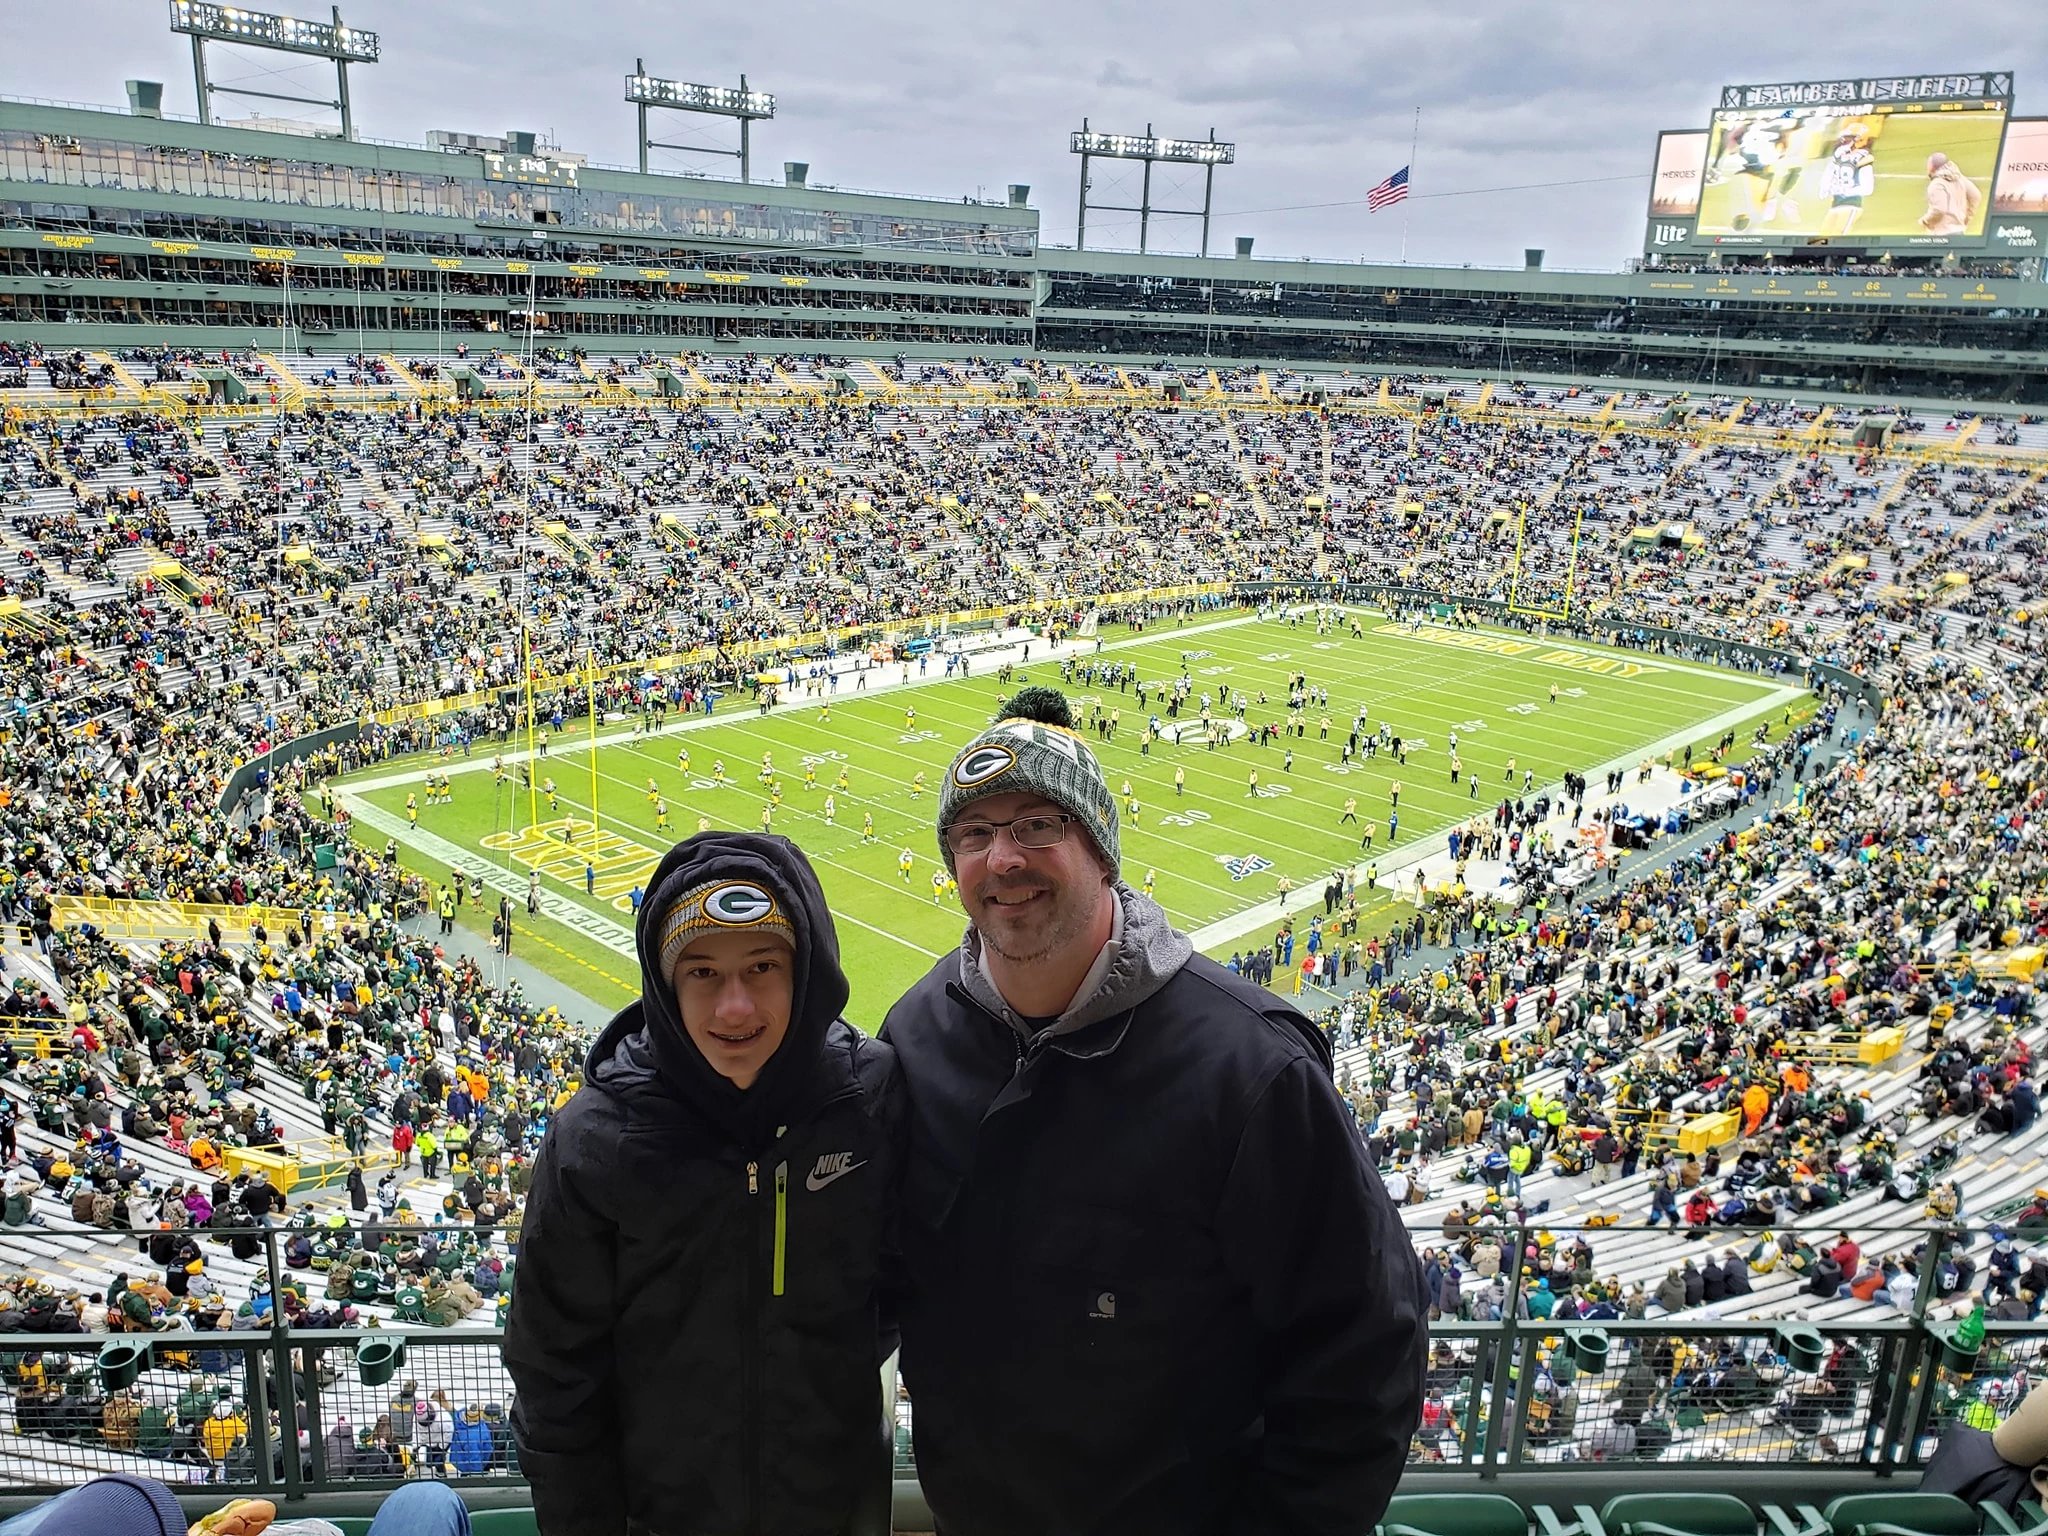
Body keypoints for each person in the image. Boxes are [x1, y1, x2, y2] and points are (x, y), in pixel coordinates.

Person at [883, 686, 1426, 1535]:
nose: (1003, 858)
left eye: (1038, 824)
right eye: (975, 833)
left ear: (1101, 850)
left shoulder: (1251, 1066)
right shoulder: (916, 1034)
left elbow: (1362, 1351)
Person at [504, 832, 901, 1536]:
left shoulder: (867, 1100)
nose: (735, 1008)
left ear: (805, 969)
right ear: (664, 983)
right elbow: (554, 1374)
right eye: (703, 973)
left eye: (761, 966)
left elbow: (902, 1289)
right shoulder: (595, 1139)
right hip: (661, 1515)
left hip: (833, 1507)